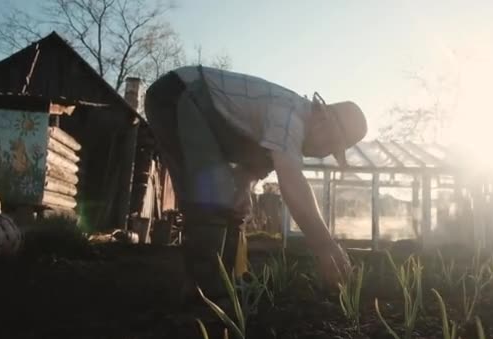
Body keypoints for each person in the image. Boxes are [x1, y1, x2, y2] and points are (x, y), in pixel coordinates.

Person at [144, 65, 367, 296]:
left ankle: (227, 282)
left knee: (230, 202)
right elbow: (292, 180)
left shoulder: (284, 133)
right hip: (178, 95)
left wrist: (243, 188)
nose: (323, 152)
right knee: (212, 196)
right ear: (322, 117)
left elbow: (252, 167)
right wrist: (324, 245)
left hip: (201, 112)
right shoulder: (290, 115)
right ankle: (204, 294)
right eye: (330, 143)